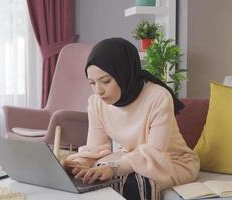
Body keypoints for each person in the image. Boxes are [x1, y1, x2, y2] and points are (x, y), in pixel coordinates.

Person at [64, 38, 199, 200]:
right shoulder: (96, 102)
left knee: (133, 181)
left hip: (169, 161)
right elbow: (96, 149)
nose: (98, 90)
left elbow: (154, 153)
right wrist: (80, 164)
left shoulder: (158, 96)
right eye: (92, 83)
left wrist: (113, 168)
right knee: (89, 176)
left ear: (124, 73)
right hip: (131, 157)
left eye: (105, 81)